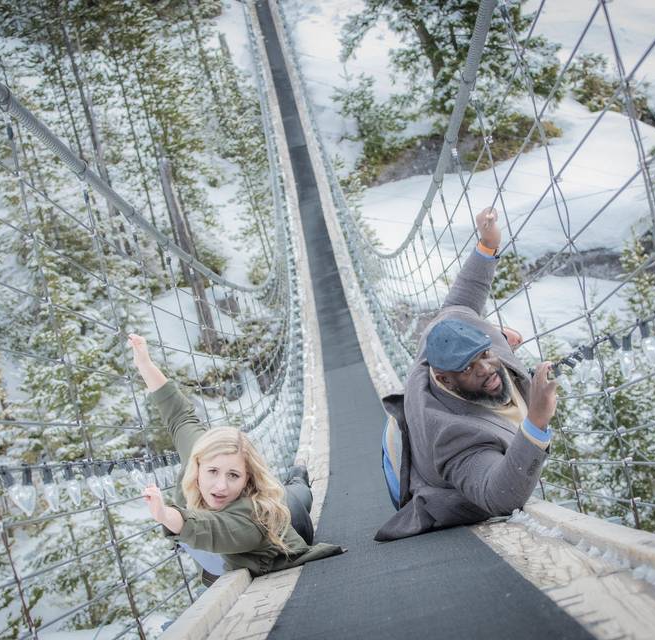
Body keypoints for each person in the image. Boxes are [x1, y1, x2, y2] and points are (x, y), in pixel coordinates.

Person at [375, 206, 559, 541]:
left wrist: (488, 244)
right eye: (469, 368)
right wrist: (536, 422)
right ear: (444, 379)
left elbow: (464, 296)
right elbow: (500, 497)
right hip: (455, 493)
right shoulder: (452, 435)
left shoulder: (453, 330)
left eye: (485, 354)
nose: (487, 368)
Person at [129, 334, 343, 583]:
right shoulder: (200, 454)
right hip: (254, 518)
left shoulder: (252, 517)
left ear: (247, 480)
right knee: (285, 489)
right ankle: (294, 479)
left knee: (297, 493)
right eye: (212, 472)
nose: (220, 486)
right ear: (198, 465)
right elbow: (178, 415)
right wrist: (144, 364)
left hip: (290, 520)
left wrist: (166, 515)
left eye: (233, 475)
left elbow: (209, 527)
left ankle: (299, 479)